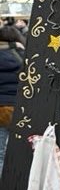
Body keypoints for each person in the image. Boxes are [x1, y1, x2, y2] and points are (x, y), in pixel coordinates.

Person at [0, 24, 25, 176]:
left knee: (0, 152)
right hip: (20, 107)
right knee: (21, 149)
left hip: (1, 108)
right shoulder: (24, 55)